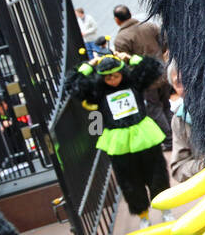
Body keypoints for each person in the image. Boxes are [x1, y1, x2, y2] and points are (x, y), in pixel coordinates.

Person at [64, 52, 170, 225]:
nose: (112, 80)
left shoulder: (134, 82)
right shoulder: (97, 91)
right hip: (118, 141)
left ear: (122, 72)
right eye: (107, 78)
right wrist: (89, 65)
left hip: (143, 135)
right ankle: (143, 217)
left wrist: (130, 57)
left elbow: (154, 68)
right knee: (129, 180)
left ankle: (166, 209)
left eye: (115, 76)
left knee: (156, 173)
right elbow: (73, 85)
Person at [112, 4, 173, 149]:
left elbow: (124, 65)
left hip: (146, 79)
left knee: (155, 109)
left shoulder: (121, 39)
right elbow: (165, 43)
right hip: (162, 72)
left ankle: (170, 139)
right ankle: (175, 136)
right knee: (165, 105)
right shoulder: (150, 26)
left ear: (117, 20)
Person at [165, 60, 205, 188]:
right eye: (179, 83)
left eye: (191, 77)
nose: (188, 86)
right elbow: (179, 168)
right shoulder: (180, 119)